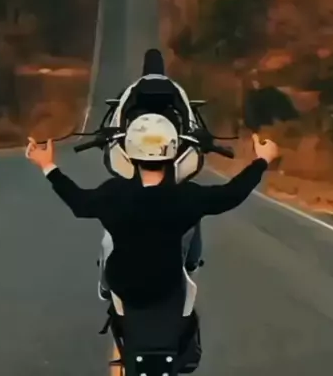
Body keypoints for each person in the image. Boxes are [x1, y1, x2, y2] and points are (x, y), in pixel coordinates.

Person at [25, 114, 279, 313]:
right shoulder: (187, 196)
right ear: (172, 150)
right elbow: (231, 194)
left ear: (130, 151)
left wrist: (47, 165)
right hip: (167, 286)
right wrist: (262, 161)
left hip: (122, 284)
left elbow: (78, 202)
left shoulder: (113, 193)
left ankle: (108, 293)